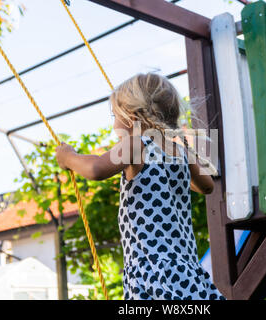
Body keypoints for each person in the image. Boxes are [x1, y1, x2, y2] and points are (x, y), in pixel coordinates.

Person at [55, 72, 226, 300]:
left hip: (154, 274)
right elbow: (206, 187)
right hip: (187, 273)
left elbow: (96, 169)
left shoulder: (136, 144)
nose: (114, 124)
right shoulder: (180, 152)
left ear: (132, 117)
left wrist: (68, 157)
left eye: (114, 116)